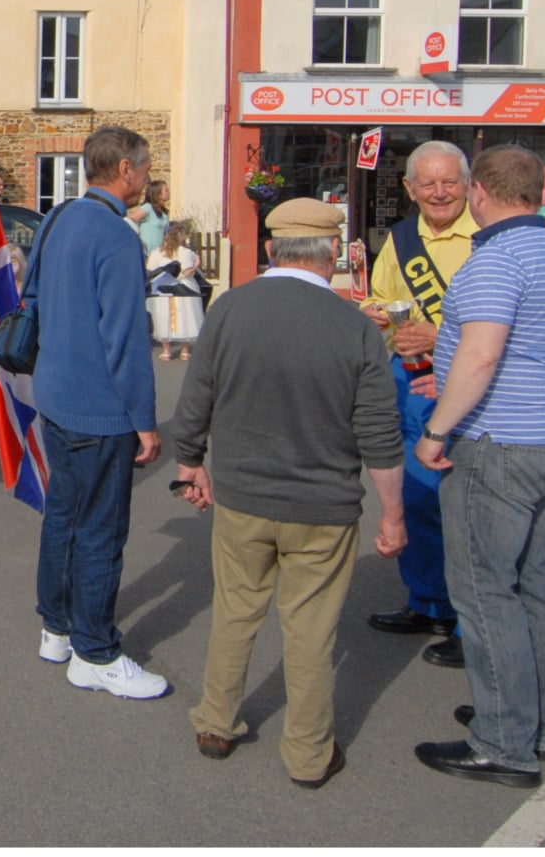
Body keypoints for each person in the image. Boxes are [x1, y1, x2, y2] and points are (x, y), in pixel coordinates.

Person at [167, 197, 406, 788]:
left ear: (272, 249)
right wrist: (393, 516)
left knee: (235, 611)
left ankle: (216, 723)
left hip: (244, 498)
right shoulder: (357, 328)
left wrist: (189, 463)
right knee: (310, 630)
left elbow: (198, 393)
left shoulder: (229, 309)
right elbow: (379, 433)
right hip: (322, 507)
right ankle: (307, 754)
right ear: (332, 258)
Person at [413, 145, 545, 788]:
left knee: (485, 588)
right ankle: (529, 718)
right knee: (532, 580)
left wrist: (437, 430)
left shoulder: (497, 259)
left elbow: (482, 356)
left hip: (502, 443)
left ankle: (502, 742)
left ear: (481, 191)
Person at [28, 124, 168, 699]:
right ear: (126, 171)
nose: (147, 177)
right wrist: (146, 419)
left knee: (63, 514)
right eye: (144, 168)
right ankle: (95, 650)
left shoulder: (57, 219)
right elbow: (126, 337)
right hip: (96, 405)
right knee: (101, 531)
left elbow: (31, 297)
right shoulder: (116, 236)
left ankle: (56, 626)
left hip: (56, 394)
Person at [357, 141, 478, 668]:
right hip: (407, 382)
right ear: (409, 189)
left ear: (468, 184)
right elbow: (379, 295)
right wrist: (379, 315)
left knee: (466, 508)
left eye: (449, 181)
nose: (439, 192)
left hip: (466, 390)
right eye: (426, 183)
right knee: (415, 498)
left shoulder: (488, 239)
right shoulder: (402, 237)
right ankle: (427, 600)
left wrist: (442, 335)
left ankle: (470, 621)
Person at [146, 221, 206, 363]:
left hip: (163, 287)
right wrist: (197, 264)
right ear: (179, 235)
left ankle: (166, 351)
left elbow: (150, 270)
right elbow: (186, 273)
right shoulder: (186, 253)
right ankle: (185, 351)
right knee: (186, 315)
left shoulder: (157, 253)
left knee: (164, 316)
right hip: (182, 286)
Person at [129, 179, 171, 256]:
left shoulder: (164, 213)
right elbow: (129, 221)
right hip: (146, 253)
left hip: (158, 255)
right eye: (166, 190)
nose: (169, 193)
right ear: (158, 194)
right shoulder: (148, 208)